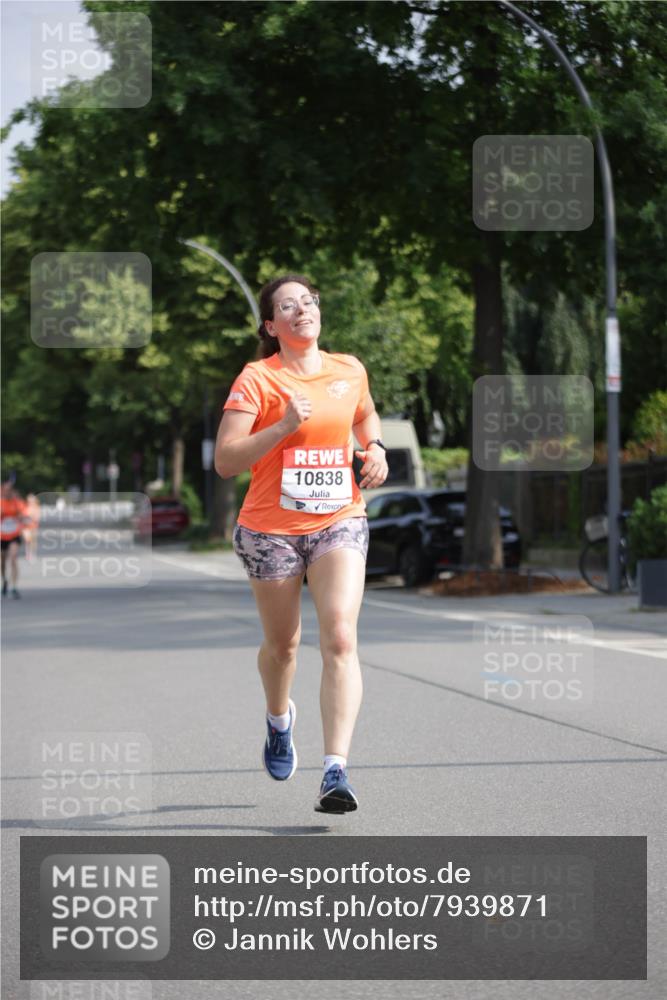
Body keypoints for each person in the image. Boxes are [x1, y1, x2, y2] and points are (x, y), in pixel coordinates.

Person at [215, 274, 388, 814]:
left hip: (340, 518)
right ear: (271, 324)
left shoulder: (349, 369)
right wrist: (285, 425)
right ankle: (278, 720)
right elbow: (226, 461)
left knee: (339, 636)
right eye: (286, 306)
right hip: (271, 530)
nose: (300, 310)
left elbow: (364, 414)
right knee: (283, 647)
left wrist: (375, 446)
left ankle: (335, 770)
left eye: (307, 302)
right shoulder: (257, 380)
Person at [1, 482, 29, 599]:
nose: (7, 493)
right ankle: (5, 581)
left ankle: (14, 587)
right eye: (5, 490)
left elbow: (25, 516)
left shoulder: (17, 503)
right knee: (2, 562)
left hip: (14, 534)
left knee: (13, 558)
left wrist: (21, 516)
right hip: (2, 536)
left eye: (9, 490)